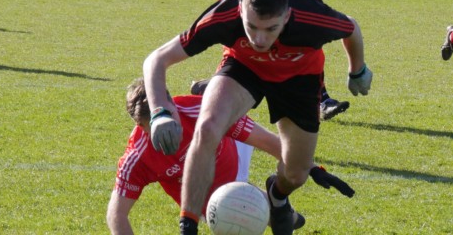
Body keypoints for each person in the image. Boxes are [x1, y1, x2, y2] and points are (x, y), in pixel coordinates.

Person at [142, 0, 372, 235]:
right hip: (244, 68)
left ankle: (277, 196)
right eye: (251, 27)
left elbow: (351, 28)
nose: (260, 39)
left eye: (271, 29)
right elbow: (156, 59)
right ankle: (188, 226)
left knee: (295, 175)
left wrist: (358, 70)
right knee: (207, 128)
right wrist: (159, 111)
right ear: (241, 10)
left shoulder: (311, 15)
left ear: (287, 16)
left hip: (300, 79)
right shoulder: (225, 14)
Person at [107, 78, 354, 235]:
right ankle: (283, 213)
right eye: (155, 128)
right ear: (140, 126)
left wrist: (312, 167)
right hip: (204, 199)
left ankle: (216, 90)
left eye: (169, 117)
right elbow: (116, 215)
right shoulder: (138, 158)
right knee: (251, 219)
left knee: (270, 216)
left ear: (172, 103)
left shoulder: (203, 114)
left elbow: (270, 143)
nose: (168, 131)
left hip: (234, 153)